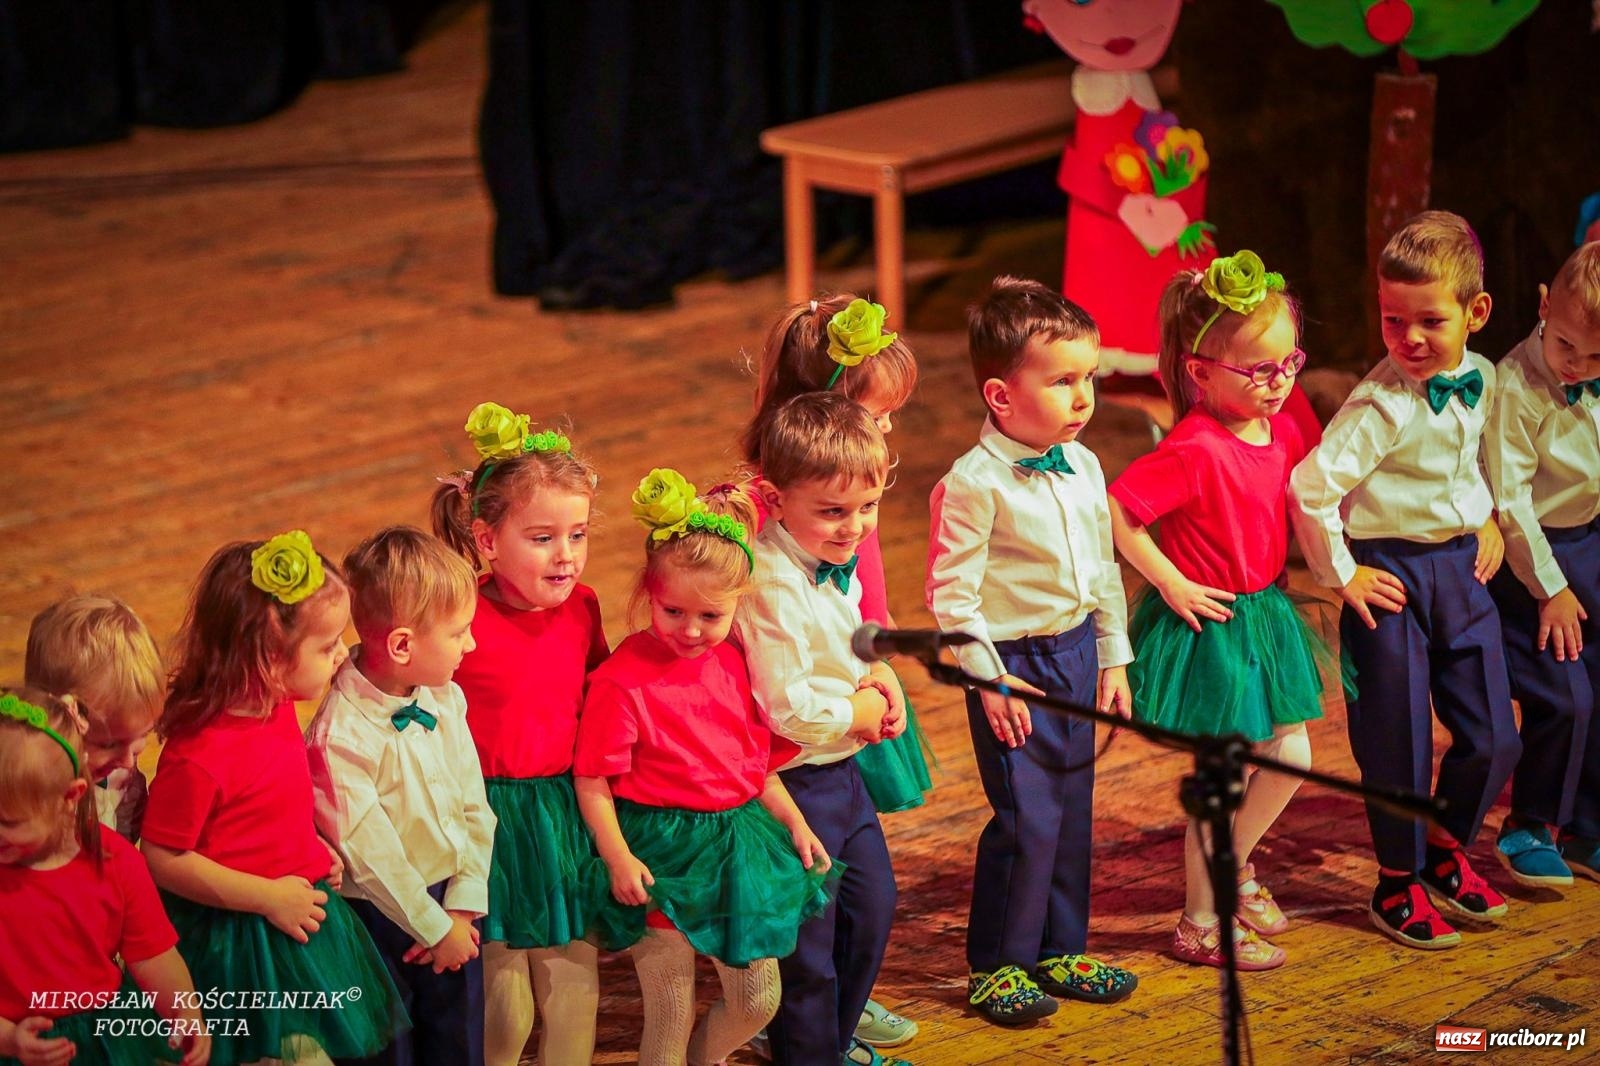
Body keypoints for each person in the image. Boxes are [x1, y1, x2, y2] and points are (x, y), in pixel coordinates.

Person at [1290, 210, 1521, 949]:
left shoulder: (1484, 379)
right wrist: (1344, 574)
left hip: (1459, 567)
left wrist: (1487, 518)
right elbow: (1309, 488)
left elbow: (1489, 457)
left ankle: (1445, 850)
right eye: (1394, 320)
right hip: (1388, 576)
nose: (1410, 339)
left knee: (1493, 735)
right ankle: (1398, 881)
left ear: (1475, 313)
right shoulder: (1379, 404)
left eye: (1429, 320)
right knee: (1397, 737)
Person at [926, 275, 1138, 1027]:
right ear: (1000, 394)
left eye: (1089, 377)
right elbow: (953, 598)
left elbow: (1104, 568)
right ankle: (998, 965)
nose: (1083, 397)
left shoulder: (1083, 463)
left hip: (1076, 653)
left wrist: (1113, 657)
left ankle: (1058, 948)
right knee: (1028, 816)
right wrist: (990, 682)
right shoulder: (972, 485)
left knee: (1072, 809)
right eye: (1063, 381)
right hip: (1013, 665)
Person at [1109, 252, 1331, 970]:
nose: (1278, 383)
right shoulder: (1195, 448)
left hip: (1264, 615)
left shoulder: (1281, 427)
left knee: (1291, 754)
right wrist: (1169, 582)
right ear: (1201, 372)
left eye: (1287, 363)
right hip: (1213, 628)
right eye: (1258, 370)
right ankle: (1201, 922)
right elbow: (1117, 512)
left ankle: (1234, 871)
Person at [577, 472, 839, 1066]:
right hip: (662, 850)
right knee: (668, 1008)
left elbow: (756, 769)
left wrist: (794, 823)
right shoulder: (623, 679)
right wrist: (618, 856)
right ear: (649, 594)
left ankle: (709, 1058)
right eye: (673, 611)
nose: (691, 630)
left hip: (738, 845)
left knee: (757, 998)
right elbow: (593, 778)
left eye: (709, 616)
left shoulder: (736, 662)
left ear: (736, 607)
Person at [740, 293, 925, 1053]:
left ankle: (834, 1033)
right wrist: (857, 707)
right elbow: (788, 705)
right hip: (799, 770)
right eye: (836, 514)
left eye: (868, 507)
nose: (855, 527)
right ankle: (806, 1045)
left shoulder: (834, 552)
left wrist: (880, 679)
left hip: (843, 766)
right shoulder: (773, 574)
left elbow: (852, 629)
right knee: (810, 940)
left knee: (872, 905)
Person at [141, 530, 404, 1063]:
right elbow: (162, 857)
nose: (341, 656)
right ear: (267, 654)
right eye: (326, 645)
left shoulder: (276, 706)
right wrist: (266, 896)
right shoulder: (200, 755)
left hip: (294, 912)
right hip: (243, 937)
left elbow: (267, 806)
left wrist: (308, 844)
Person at [432, 402, 609, 1066]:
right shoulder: (460, 619)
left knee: (573, 984)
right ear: (485, 540)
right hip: (490, 821)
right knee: (505, 1001)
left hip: (562, 811)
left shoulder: (583, 606)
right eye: (542, 538)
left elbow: (598, 696)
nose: (566, 557)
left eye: (579, 535)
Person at [307, 526, 497, 1065]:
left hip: (452, 906)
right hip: (379, 920)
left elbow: (473, 809)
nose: (471, 643)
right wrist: (432, 928)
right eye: (460, 632)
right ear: (402, 644)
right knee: (389, 1051)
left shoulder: (446, 699)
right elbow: (369, 855)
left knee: (459, 1041)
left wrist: (462, 905)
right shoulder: (340, 736)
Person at [0, 687, 209, 1066]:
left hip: (105, 1043)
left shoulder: (116, 862)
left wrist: (185, 1011)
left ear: (71, 796)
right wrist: (11, 1040)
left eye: (7, 823)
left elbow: (154, 957)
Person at [1484, 241, 1600, 886]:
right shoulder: (1514, 385)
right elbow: (1512, 503)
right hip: (1533, 563)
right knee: (1563, 693)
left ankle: (1584, 827)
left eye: (1595, 355)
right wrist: (1551, 589)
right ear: (1543, 304)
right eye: (1566, 346)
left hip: (1590, 544)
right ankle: (1528, 822)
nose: (1578, 365)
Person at [25, 594, 164, 840]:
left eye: (142, 736)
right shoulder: (22, 786)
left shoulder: (119, 774)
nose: (128, 762)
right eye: (109, 744)